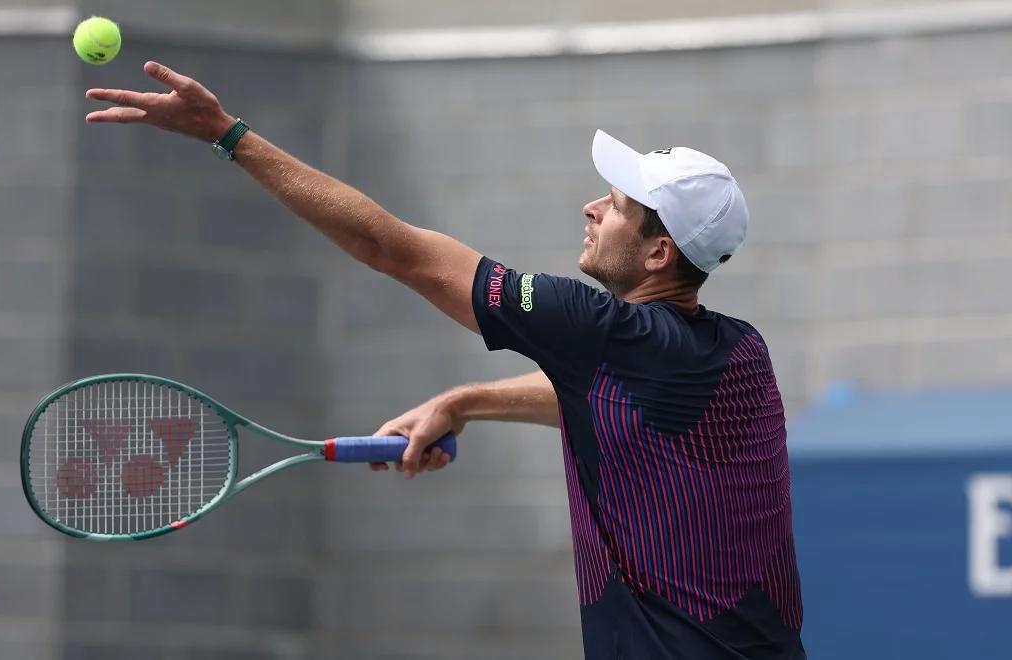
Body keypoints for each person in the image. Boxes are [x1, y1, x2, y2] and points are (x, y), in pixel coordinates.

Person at [86, 61, 805, 659]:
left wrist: (226, 133)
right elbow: (607, 401)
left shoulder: (598, 330)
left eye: (615, 205)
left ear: (659, 252)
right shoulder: (740, 353)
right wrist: (466, 402)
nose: (591, 207)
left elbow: (391, 249)